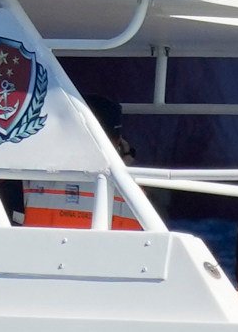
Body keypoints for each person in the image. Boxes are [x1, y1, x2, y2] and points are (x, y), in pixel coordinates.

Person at [14, 92, 142, 230]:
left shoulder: (33, 174)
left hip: (39, 249)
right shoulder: (136, 186)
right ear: (118, 141)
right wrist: (126, 160)